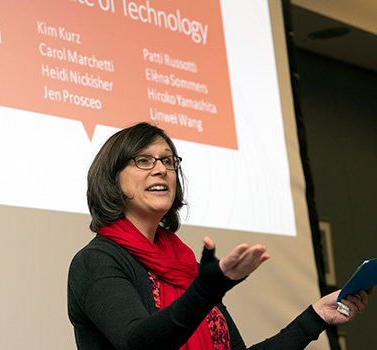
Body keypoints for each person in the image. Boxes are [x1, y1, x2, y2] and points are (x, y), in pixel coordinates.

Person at [67, 122, 373, 350]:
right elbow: (139, 343)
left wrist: (315, 317)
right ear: (112, 180)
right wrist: (205, 291)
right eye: (143, 160)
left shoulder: (184, 265)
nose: (161, 169)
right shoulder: (96, 262)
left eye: (168, 160)